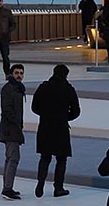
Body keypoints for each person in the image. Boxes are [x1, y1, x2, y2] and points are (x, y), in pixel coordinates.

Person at [31, 63, 81, 198]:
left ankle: (41, 181)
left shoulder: (43, 87)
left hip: (45, 126)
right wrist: (65, 117)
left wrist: (45, 114)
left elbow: (34, 107)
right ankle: (58, 188)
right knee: (61, 159)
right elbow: (76, 111)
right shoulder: (68, 89)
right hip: (61, 128)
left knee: (45, 157)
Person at [0, 64, 26, 200]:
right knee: (13, 158)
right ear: (11, 74)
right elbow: (6, 109)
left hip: (13, 127)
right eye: (17, 73)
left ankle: (7, 187)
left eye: (21, 73)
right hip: (10, 128)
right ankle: (7, 189)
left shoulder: (18, 88)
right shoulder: (8, 89)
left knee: (10, 158)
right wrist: (16, 123)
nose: (19, 75)